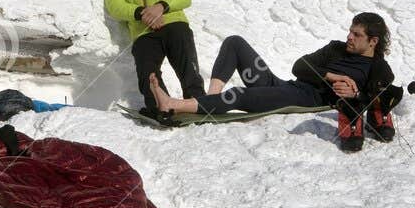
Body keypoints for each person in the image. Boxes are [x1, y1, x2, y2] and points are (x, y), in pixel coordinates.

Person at [148, 13, 398, 151]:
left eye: (357, 35)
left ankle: (174, 104)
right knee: (235, 42)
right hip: (285, 85)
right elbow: (300, 66)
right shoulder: (336, 48)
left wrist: (353, 93)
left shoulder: (378, 69)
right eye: (350, 31)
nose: (349, 37)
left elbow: (376, 102)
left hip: (302, 98)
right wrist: (332, 76)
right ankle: (209, 100)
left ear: (373, 41)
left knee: (241, 95)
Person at [103, 0, 203, 114]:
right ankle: (160, 107)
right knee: (147, 73)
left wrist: (161, 7)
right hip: (144, 32)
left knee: (187, 66)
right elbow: (115, 6)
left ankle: (198, 102)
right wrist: (142, 13)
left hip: (174, 24)